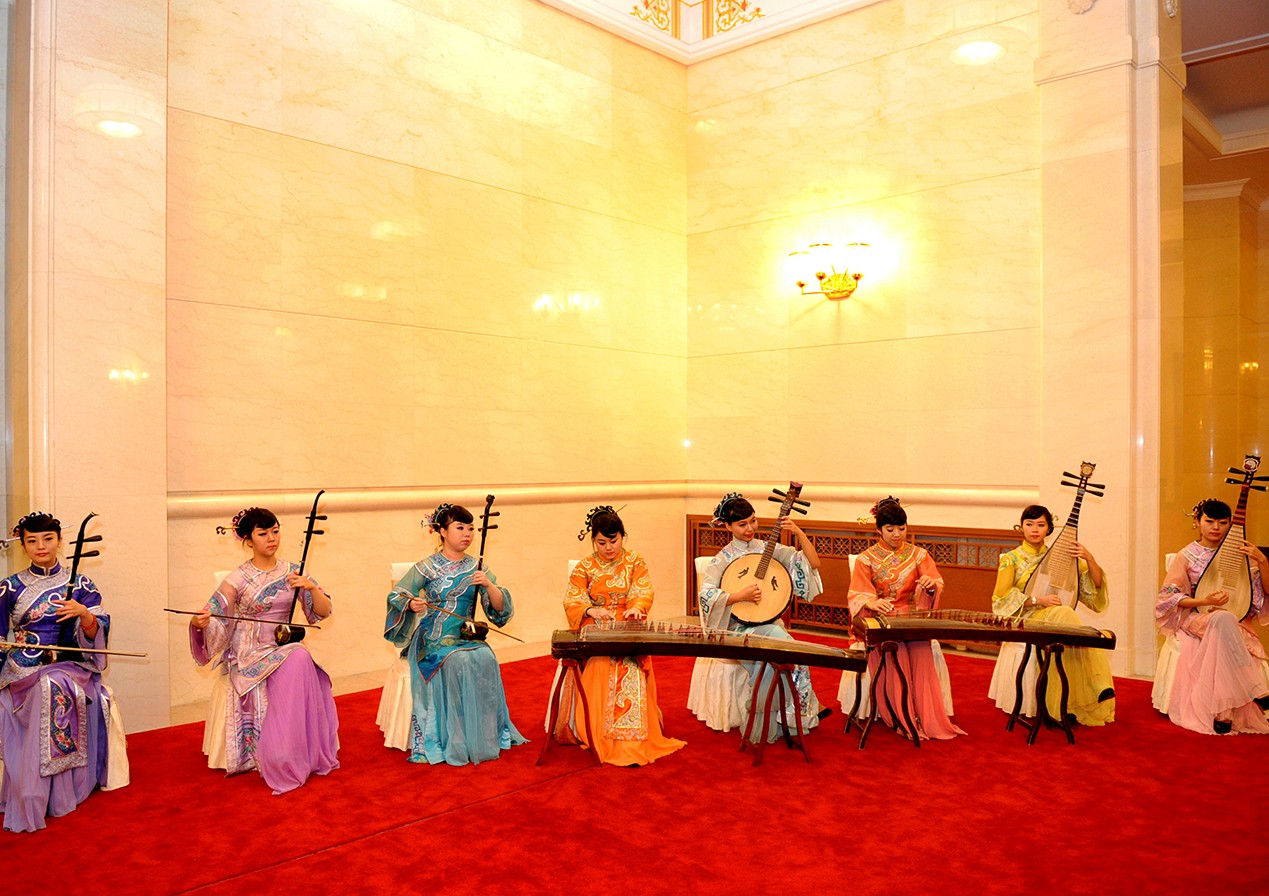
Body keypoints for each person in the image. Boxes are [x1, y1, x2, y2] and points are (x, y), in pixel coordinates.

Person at [190, 507, 339, 792]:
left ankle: (289, 751)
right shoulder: (238, 578)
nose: (271, 538)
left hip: (282, 646)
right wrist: (201, 622)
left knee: (300, 655)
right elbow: (215, 616)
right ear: (248, 539)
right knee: (300, 655)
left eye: (275, 531)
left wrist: (311, 589)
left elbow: (323, 612)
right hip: (249, 653)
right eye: (263, 533)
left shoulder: (294, 571)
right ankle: (281, 753)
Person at [0, 512, 124, 832]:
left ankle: (53, 792)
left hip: (69, 664)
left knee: (53, 685)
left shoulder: (81, 583)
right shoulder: (8, 587)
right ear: (22, 545)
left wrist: (83, 614)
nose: (40, 546)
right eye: (31, 540)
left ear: (59, 540)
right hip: (23, 665)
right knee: (44, 685)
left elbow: (98, 628)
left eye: (47, 539)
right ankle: (31, 791)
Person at [385, 503, 526, 765]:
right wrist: (412, 603)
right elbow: (398, 594)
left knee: (486, 657)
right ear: (441, 531)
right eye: (460, 528)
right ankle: (454, 738)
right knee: (459, 661)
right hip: (433, 638)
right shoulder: (427, 567)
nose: (467, 534)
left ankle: (483, 734)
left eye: (471, 528)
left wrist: (488, 584)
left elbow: (499, 609)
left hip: (465, 635)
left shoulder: (477, 566)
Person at [554, 506, 685, 765]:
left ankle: (633, 740)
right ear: (594, 540)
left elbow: (643, 589)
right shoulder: (585, 566)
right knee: (602, 666)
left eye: (613, 541)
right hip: (597, 628)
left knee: (631, 667)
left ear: (623, 536)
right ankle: (598, 734)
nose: (608, 548)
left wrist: (636, 607)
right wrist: (591, 609)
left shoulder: (635, 561)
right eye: (601, 542)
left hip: (627, 626)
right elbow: (572, 599)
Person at [698, 492, 827, 741]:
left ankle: (785, 718)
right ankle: (773, 718)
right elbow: (707, 595)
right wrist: (738, 595)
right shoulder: (722, 559)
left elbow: (813, 563)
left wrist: (799, 533)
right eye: (742, 524)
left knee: (788, 652)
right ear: (728, 526)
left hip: (769, 622)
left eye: (753, 521)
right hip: (738, 628)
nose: (750, 529)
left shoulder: (766, 548)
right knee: (785, 648)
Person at [847, 496, 964, 741]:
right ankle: (903, 718)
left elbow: (937, 583)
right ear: (878, 530)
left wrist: (931, 586)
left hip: (912, 617)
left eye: (902, 528)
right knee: (895, 651)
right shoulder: (865, 559)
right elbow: (857, 594)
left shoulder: (919, 555)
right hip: (883, 621)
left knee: (922, 650)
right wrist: (871, 602)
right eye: (890, 529)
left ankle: (928, 717)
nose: (897, 534)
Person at [986, 504, 1114, 725]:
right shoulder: (1011, 559)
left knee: (1064, 614)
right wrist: (1038, 600)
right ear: (1021, 527)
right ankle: (1097, 684)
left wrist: (1089, 558)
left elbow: (1093, 591)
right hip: (1026, 619)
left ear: (1049, 528)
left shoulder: (1061, 557)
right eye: (1029, 524)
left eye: (1041, 525)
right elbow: (1000, 599)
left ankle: (1069, 702)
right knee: (1068, 617)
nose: (1035, 529)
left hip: (1057, 618)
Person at [1156, 498, 1269, 734]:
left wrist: (1262, 560)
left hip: (1233, 621)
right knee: (1222, 619)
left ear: (1230, 525)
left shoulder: (1241, 554)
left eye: (1222, 522)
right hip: (1196, 617)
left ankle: (1223, 714)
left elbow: (1265, 592)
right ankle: (1258, 691)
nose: (1216, 527)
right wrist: (1204, 601)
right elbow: (1168, 598)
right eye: (1209, 521)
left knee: (1225, 622)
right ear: (1197, 522)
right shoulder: (1186, 555)